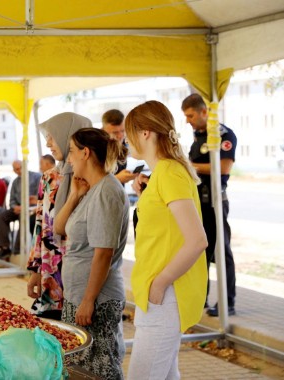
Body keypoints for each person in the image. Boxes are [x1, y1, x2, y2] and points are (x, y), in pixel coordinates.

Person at [125, 100, 208, 379]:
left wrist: (160, 282)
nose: (126, 140)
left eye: (129, 133)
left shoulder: (170, 172)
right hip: (158, 295)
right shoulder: (163, 173)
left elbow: (197, 240)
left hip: (165, 294)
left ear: (145, 132)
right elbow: (162, 226)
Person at [53, 128, 128, 379]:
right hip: (80, 295)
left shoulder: (107, 190)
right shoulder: (91, 190)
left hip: (96, 300)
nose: (69, 159)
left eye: (72, 152)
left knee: (101, 369)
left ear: (86, 153)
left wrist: (88, 300)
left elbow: (104, 252)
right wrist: (75, 195)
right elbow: (59, 227)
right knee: (80, 368)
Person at [26, 112, 90, 320]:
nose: (48, 144)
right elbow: (40, 226)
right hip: (50, 273)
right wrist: (36, 270)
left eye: (52, 137)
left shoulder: (91, 179)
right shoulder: (49, 177)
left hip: (80, 272)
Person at [182, 93, 238, 317]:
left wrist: (190, 167)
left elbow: (223, 168)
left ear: (205, 112)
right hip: (198, 201)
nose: (188, 120)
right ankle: (200, 299)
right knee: (199, 251)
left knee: (221, 250)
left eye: (191, 115)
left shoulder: (223, 135)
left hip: (215, 200)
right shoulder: (198, 136)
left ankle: (227, 302)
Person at [0, 160, 40, 258]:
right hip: (18, 208)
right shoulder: (15, 182)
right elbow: (11, 200)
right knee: (0, 216)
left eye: (20, 168)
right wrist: (15, 207)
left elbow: (39, 197)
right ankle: (5, 247)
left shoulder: (37, 177)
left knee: (23, 216)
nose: (18, 171)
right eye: (16, 169)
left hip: (31, 208)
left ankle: (18, 248)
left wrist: (25, 206)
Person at [102, 109, 136, 186]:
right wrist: (117, 178)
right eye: (115, 132)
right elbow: (91, 183)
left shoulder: (123, 142)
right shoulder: (94, 146)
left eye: (122, 131)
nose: (120, 136)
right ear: (104, 130)